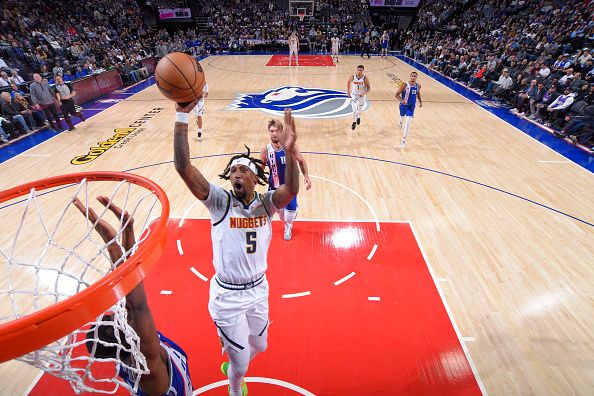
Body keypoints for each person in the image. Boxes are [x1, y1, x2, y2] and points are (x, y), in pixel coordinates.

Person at [173, 101, 299, 396]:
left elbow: (291, 189)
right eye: (233, 172)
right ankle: (234, 386)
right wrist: (182, 115)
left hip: (259, 289)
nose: (237, 175)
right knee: (241, 364)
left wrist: (291, 151)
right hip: (227, 296)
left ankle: (233, 367)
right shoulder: (219, 202)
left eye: (244, 170)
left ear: (257, 178)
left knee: (262, 345)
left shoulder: (267, 204)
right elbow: (183, 167)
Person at [72, 196, 194, 395]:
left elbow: (130, 286)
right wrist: (112, 244)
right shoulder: (147, 364)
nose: (112, 315)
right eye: (110, 321)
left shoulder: (131, 347)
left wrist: (126, 234)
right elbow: (137, 304)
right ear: (123, 334)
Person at [260, 118, 311, 240]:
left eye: (276, 131)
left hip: (289, 188)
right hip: (274, 188)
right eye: (271, 131)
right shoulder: (265, 150)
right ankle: (286, 223)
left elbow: (301, 161)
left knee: (289, 217)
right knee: (280, 214)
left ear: (281, 132)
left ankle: (289, 225)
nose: (274, 133)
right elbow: (260, 168)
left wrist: (306, 176)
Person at [395, 71, 423, 149]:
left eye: (415, 76)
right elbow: (396, 95)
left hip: (411, 106)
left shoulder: (418, 86)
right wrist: (402, 100)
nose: (413, 77)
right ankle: (400, 122)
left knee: (407, 123)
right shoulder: (405, 85)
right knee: (402, 116)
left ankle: (403, 141)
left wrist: (420, 102)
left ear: (416, 77)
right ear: (410, 76)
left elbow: (418, 94)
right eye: (412, 76)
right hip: (404, 105)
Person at [347, 64, 370, 130]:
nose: (359, 71)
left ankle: (359, 116)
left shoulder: (365, 78)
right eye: (358, 70)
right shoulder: (353, 76)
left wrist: (364, 93)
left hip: (362, 95)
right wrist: (348, 91)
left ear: (363, 71)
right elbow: (348, 82)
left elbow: (369, 88)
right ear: (357, 70)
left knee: (360, 108)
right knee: (354, 110)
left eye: (361, 70)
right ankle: (354, 122)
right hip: (354, 95)